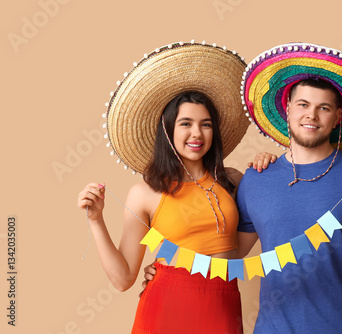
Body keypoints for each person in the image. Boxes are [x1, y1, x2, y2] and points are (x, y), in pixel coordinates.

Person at [144, 42, 342, 333]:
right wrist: (168, 273)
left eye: (324, 108)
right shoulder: (257, 178)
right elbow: (231, 255)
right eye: (303, 105)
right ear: (288, 109)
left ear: (338, 117)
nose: (312, 115)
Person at [77, 42, 275, 334]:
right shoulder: (145, 192)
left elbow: (237, 251)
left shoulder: (233, 180)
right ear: (168, 131)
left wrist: (266, 169)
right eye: (186, 123)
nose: (196, 133)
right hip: (165, 309)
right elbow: (123, 280)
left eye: (205, 124)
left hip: (223, 308)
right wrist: (95, 220)